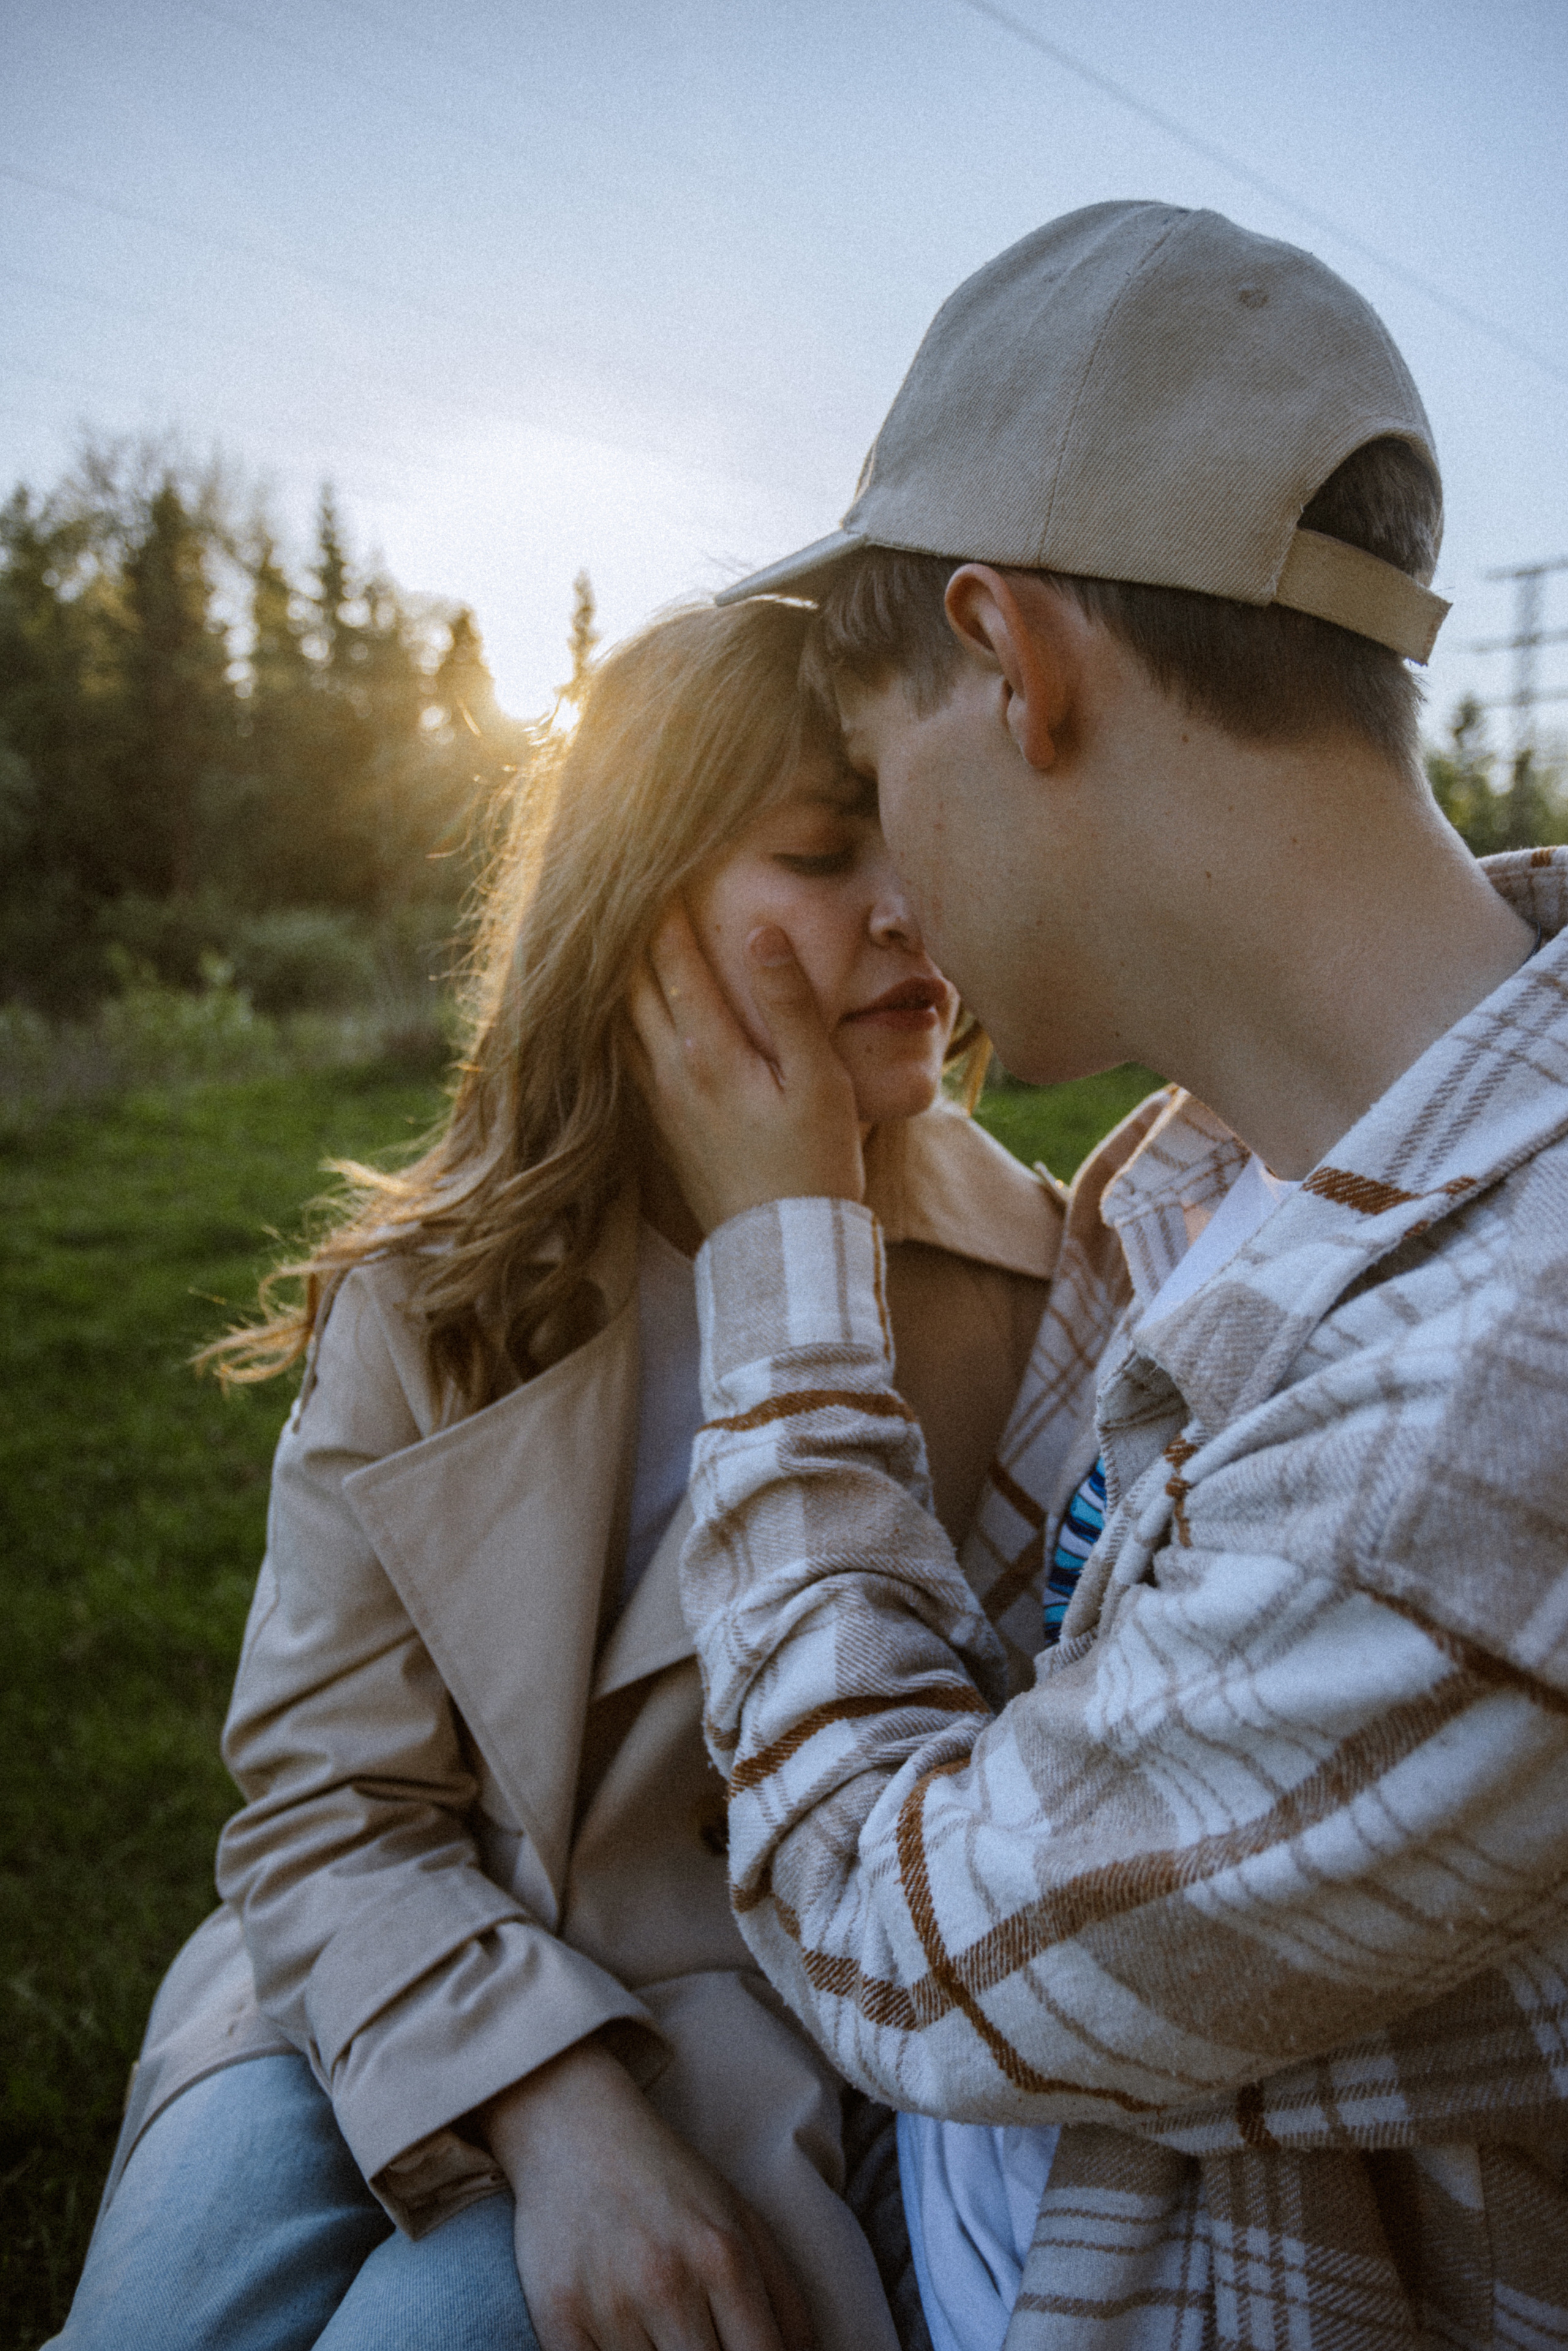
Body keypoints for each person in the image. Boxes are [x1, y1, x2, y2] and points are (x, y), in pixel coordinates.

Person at [630, 203, 1568, 2349]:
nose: (888, 883)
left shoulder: (1500, 1402)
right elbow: (982, 1663)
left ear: (1016, 664)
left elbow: (890, 1922)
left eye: (874, 779)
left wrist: (786, 1252)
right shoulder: (1193, 1171)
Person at [51, 597, 1063, 2351]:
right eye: (826, 854)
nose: (911, 907)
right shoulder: (433, 1294)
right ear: (640, 916)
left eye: (923, 835)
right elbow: (321, 1801)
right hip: (360, 1971)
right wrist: (550, 2101)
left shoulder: (1036, 1286)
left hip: (757, 2043)